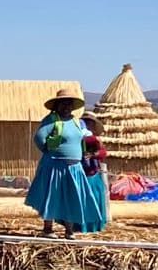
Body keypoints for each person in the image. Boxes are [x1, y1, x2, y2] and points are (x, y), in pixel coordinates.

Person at [26, 88, 106, 237]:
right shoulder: (51, 120)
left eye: (69, 104)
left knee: (72, 197)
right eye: (63, 104)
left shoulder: (76, 122)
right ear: (57, 105)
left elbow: (82, 139)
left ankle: (69, 230)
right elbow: (39, 138)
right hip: (55, 166)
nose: (66, 107)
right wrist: (50, 152)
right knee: (53, 196)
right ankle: (48, 229)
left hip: (74, 167)